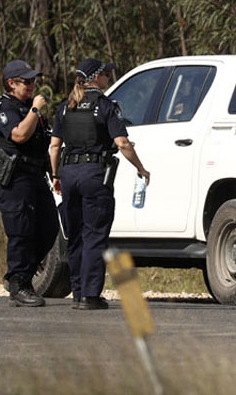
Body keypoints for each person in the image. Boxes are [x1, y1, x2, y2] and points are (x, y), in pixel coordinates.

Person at [49, 58, 150, 310]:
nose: (108, 78)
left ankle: (79, 292)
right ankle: (91, 296)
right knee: (95, 235)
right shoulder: (105, 105)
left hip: (69, 173)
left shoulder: (65, 106)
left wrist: (56, 176)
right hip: (94, 174)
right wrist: (140, 168)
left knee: (75, 235)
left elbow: (54, 146)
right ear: (95, 77)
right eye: (105, 74)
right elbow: (122, 143)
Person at [0, 60, 58, 307]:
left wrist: (55, 174)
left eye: (33, 81)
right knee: (21, 233)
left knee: (49, 229)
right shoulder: (4, 108)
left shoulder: (31, 109)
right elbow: (18, 135)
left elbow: (44, 144)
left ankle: (20, 277)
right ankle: (19, 284)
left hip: (35, 177)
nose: (32, 86)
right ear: (11, 83)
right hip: (14, 180)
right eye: (26, 81)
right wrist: (35, 111)